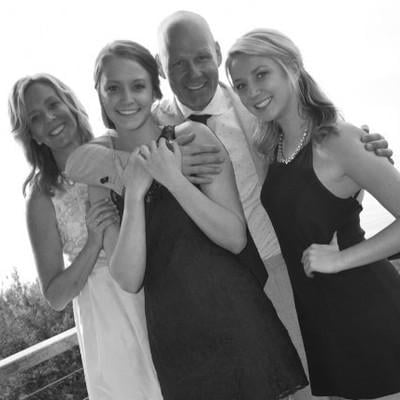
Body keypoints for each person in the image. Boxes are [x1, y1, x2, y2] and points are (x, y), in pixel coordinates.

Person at [64, 10, 393, 400]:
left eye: (202, 57)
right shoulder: (161, 125)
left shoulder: (256, 107)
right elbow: (80, 161)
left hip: (287, 266)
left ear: (217, 54)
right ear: (162, 71)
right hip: (203, 302)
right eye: (178, 63)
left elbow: (319, 164)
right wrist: (147, 165)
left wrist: (366, 161)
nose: (193, 72)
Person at [80, 39, 309, 400]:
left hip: (237, 319)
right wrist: (135, 193)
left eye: (137, 85)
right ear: (99, 92)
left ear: (155, 88)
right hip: (176, 344)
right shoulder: (101, 177)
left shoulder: (193, 137)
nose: (126, 98)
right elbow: (128, 277)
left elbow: (234, 237)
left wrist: (172, 179)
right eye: (113, 88)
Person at [226, 28, 400, 400]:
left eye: (261, 74)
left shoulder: (337, 138)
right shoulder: (274, 148)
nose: (251, 92)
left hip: (371, 316)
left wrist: (340, 260)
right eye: (240, 85)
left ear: (291, 66)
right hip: (325, 324)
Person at [8, 74, 163, 400]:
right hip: (107, 320)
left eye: (53, 104)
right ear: (32, 135)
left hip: (158, 288)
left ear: (70, 103)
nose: (50, 118)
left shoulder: (116, 145)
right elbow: (55, 296)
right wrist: (93, 243)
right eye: (36, 118)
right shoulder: (42, 198)